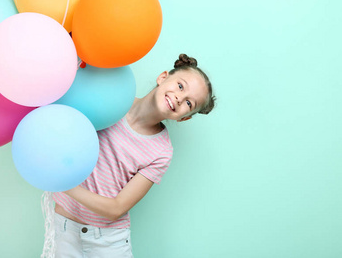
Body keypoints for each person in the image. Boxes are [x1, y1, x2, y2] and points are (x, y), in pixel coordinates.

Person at [41, 54, 216, 258]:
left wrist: (64, 184)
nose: (179, 98)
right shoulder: (112, 101)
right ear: (163, 77)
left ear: (184, 118)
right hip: (63, 228)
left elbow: (117, 208)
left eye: (189, 103)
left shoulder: (161, 151)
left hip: (108, 242)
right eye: (180, 86)